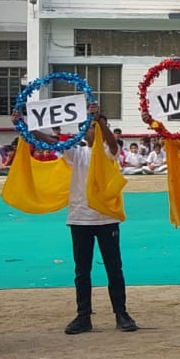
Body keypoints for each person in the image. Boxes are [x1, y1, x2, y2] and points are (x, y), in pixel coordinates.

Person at [57, 105, 137, 335]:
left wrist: (99, 120)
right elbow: (52, 143)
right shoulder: (76, 152)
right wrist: (27, 126)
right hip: (80, 218)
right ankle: (83, 316)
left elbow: (113, 145)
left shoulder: (107, 152)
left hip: (106, 217)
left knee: (114, 268)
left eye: (96, 127)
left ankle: (121, 313)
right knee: (82, 271)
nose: (94, 130)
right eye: (89, 127)